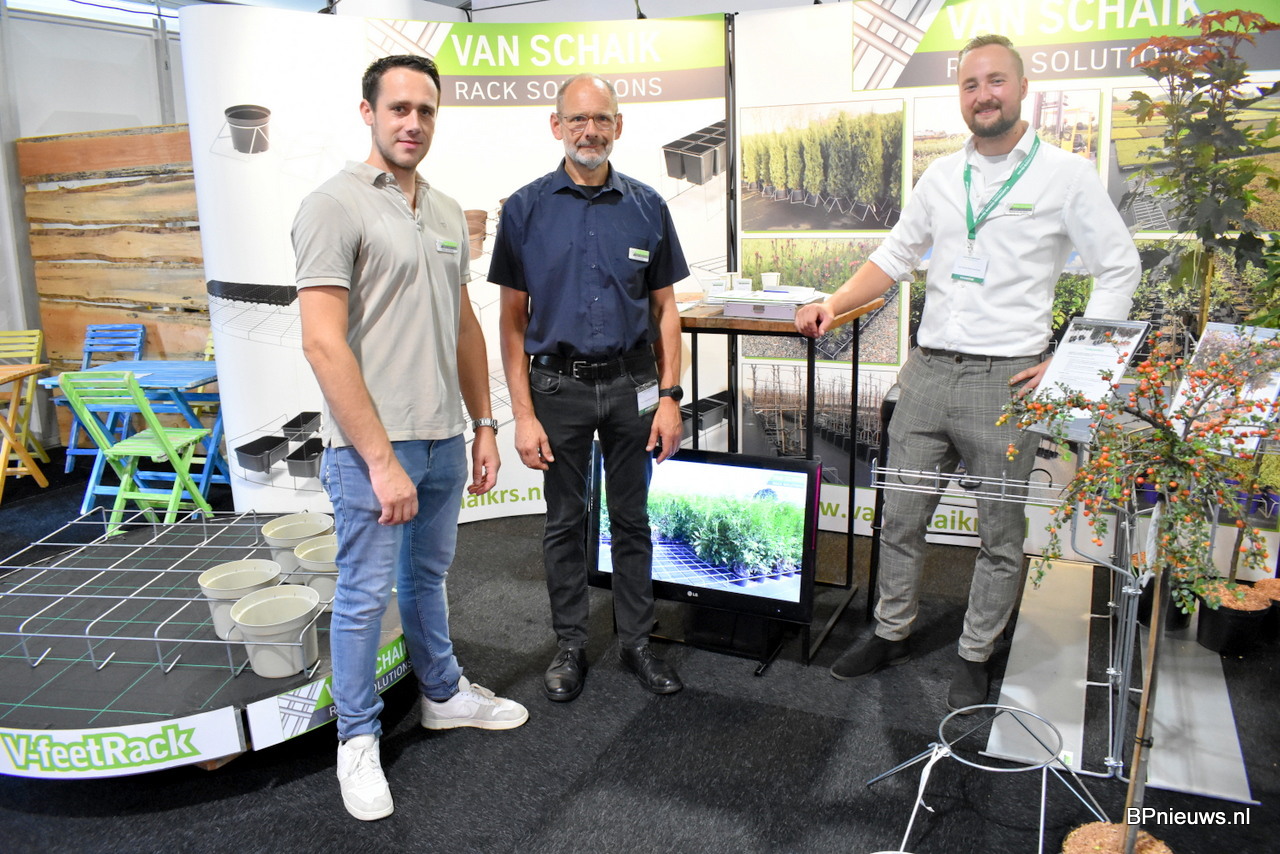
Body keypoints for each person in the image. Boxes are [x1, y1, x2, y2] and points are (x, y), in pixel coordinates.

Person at [795, 34, 1139, 713]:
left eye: (996, 81)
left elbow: (1119, 266)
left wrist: (1072, 363)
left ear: (1022, 88)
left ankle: (976, 652)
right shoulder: (941, 177)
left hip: (1006, 382)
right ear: (960, 95)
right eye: (970, 84)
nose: (983, 95)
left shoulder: (1065, 175)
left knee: (1000, 535)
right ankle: (890, 630)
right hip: (926, 373)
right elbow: (894, 256)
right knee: (900, 517)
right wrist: (833, 303)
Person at [292, 54, 527, 822]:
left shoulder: (448, 212)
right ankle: (356, 739)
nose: (413, 122)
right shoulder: (333, 206)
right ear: (369, 112)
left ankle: (443, 694)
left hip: (443, 438)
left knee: (427, 579)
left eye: (425, 110)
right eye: (398, 108)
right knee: (363, 598)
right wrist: (380, 460)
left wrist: (483, 423)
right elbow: (322, 342)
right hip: (372, 451)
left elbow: (463, 326)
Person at [490, 73, 689, 703]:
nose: (589, 130)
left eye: (601, 118)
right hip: (559, 388)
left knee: (632, 520)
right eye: (577, 119)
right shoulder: (524, 210)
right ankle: (571, 644)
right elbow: (512, 321)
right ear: (557, 126)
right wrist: (523, 414)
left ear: (618, 126)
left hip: (634, 385)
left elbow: (666, 311)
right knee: (564, 522)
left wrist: (670, 398)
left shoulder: (648, 206)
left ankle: (637, 642)